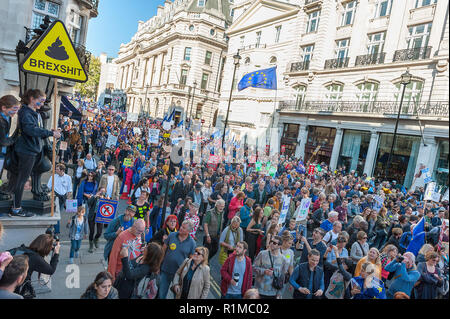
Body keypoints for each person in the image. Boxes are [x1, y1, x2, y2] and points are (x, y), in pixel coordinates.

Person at [7, 89, 61, 217]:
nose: (42, 104)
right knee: (22, 179)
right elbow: (30, 130)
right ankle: (16, 209)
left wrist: (49, 131)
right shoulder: (26, 112)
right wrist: (50, 133)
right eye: (40, 101)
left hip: (31, 150)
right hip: (27, 151)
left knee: (22, 178)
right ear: (32, 99)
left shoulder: (32, 112)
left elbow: (36, 129)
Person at [9, 234, 60, 299]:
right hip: (19, 290)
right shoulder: (35, 257)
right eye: (50, 246)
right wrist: (56, 253)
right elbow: (51, 270)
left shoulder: (22, 249)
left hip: (6, 285)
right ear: (46, 247)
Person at [158, 220, 196, 299]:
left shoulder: (192, 243)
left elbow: (191, 260)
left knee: (177, 296)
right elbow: (163, 250)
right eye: (181, 226)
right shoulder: (172, 235)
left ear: (189, 231)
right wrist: (158, 265)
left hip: (179, 275)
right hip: (165, 270)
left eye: (184, 228)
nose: (181, 228)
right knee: (161, 295)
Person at [47, 163, 73, 234]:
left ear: (62, 170)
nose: (55, 170)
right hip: (54, 197)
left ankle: (54, 229)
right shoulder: (53, 176)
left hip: (63, 198)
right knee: (56, 214)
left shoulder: (68, 177)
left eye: (57, 169)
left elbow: (69, 190)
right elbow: (48, 187)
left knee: (57, 214)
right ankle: (56, 231)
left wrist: (68, 200)